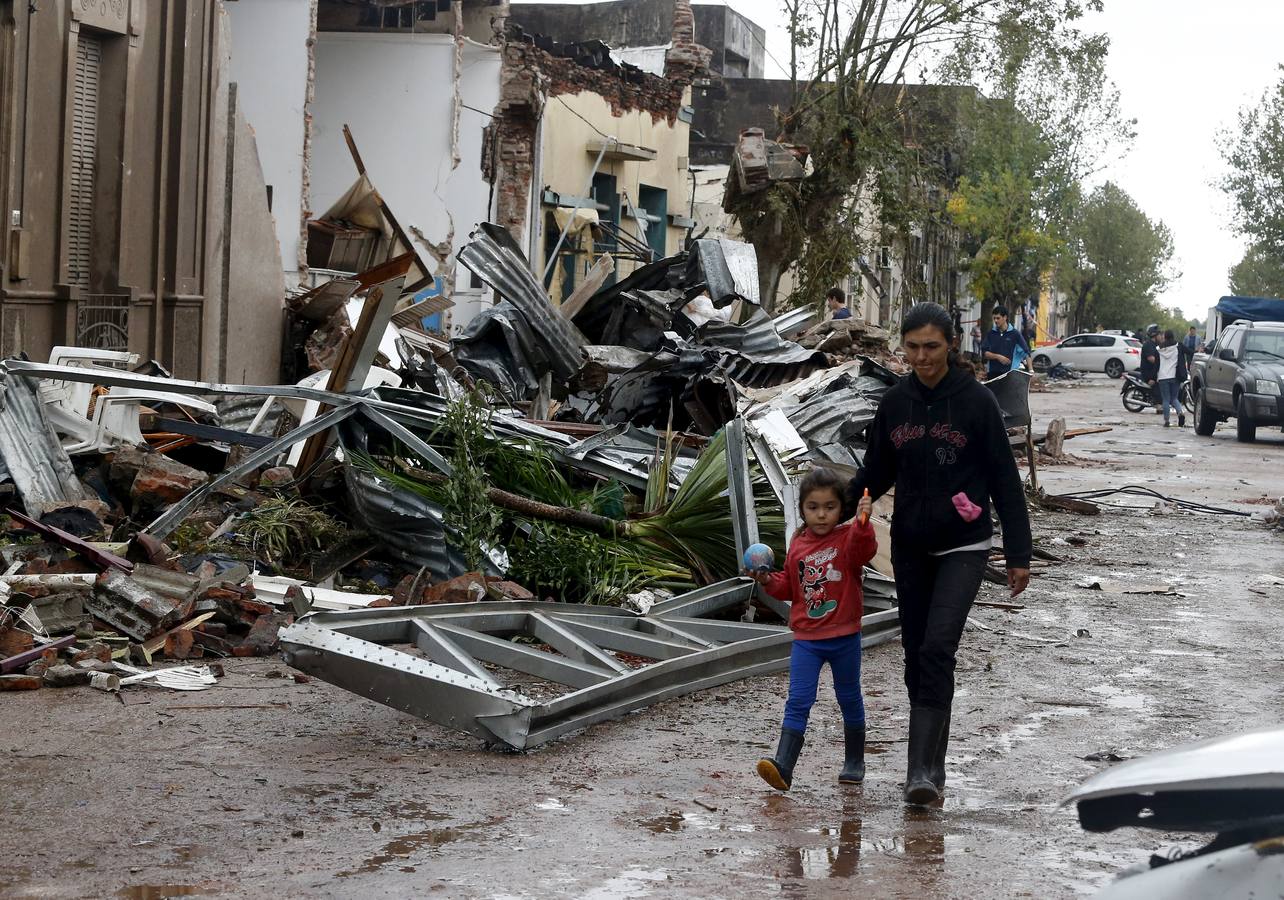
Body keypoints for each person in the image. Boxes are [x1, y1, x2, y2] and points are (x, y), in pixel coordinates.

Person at [847, 302, 1032, 805]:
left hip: (965, 545)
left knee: (937, 648)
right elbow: (876, 471)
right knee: (916, 654)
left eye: (931, 346)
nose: (922, 357)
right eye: (912, 347)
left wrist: (1019, 551)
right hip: (910, 543)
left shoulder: (976, 403)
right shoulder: (896, 403)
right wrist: (828, 509)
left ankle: (922, 773)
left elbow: (1003, 479)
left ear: (951, 344)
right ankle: (929, 764)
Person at [751, 468, 876, 792]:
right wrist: (766, 580)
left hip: (844, 636)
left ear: (841, 508)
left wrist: (863, 524)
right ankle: (784, 766)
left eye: (830, 507)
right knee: (798, 700)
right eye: (813, 507)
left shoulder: (848, 537)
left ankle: (854, 761)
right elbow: (791, 586)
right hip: (807, 639)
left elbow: (865, 552)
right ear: (803, 509)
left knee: (848, 697)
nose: (822, 514)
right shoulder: (798, 543)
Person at [979, 305, 1031, 379]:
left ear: (1005, 317)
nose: (996, 321)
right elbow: (985, 352)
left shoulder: (1015, 334)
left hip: (1009, 374)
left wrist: (1031, 370)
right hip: (993, 373)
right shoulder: (991, 334)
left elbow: (1026, 353)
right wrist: (998, 357)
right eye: (994, 318)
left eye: (998, 318)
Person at [1156, 329, 1188, 427]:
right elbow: (1189, 351)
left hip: (1162, 376)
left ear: (1165, 337)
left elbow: (1156, 364)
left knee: (1166, 399)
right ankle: (1180, 412)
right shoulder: (1178, 346)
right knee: (1174, 398)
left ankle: (1166, 421)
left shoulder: (1158, 349)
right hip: (1174, 376)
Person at [1139, 324, 1161, 407]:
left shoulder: (1155, 345)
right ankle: (1157, 403)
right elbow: (1151, 359)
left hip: (1153, 371)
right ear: (1154, 335)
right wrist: (1161, 363)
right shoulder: (1148, 345)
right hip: (1148, 372)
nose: (1161, 336)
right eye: (1159, 335)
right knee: (1158, 384)